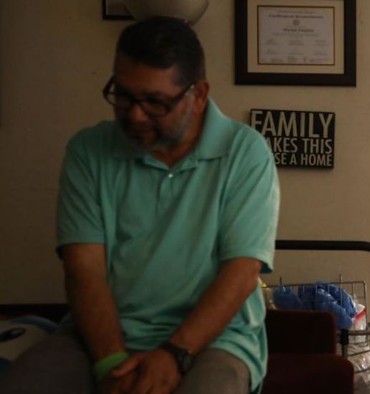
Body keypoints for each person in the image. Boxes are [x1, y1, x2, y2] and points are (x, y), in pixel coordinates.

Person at [0, 17, 279, 394]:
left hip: (214, 342)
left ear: (198, 96)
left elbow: (241, 274)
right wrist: (113, 363)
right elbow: (84, 270)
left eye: (155, 102)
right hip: (98, 337)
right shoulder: (88, 151)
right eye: (125, 96)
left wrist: (174, 355)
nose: (134, 114)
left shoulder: (245, 153)